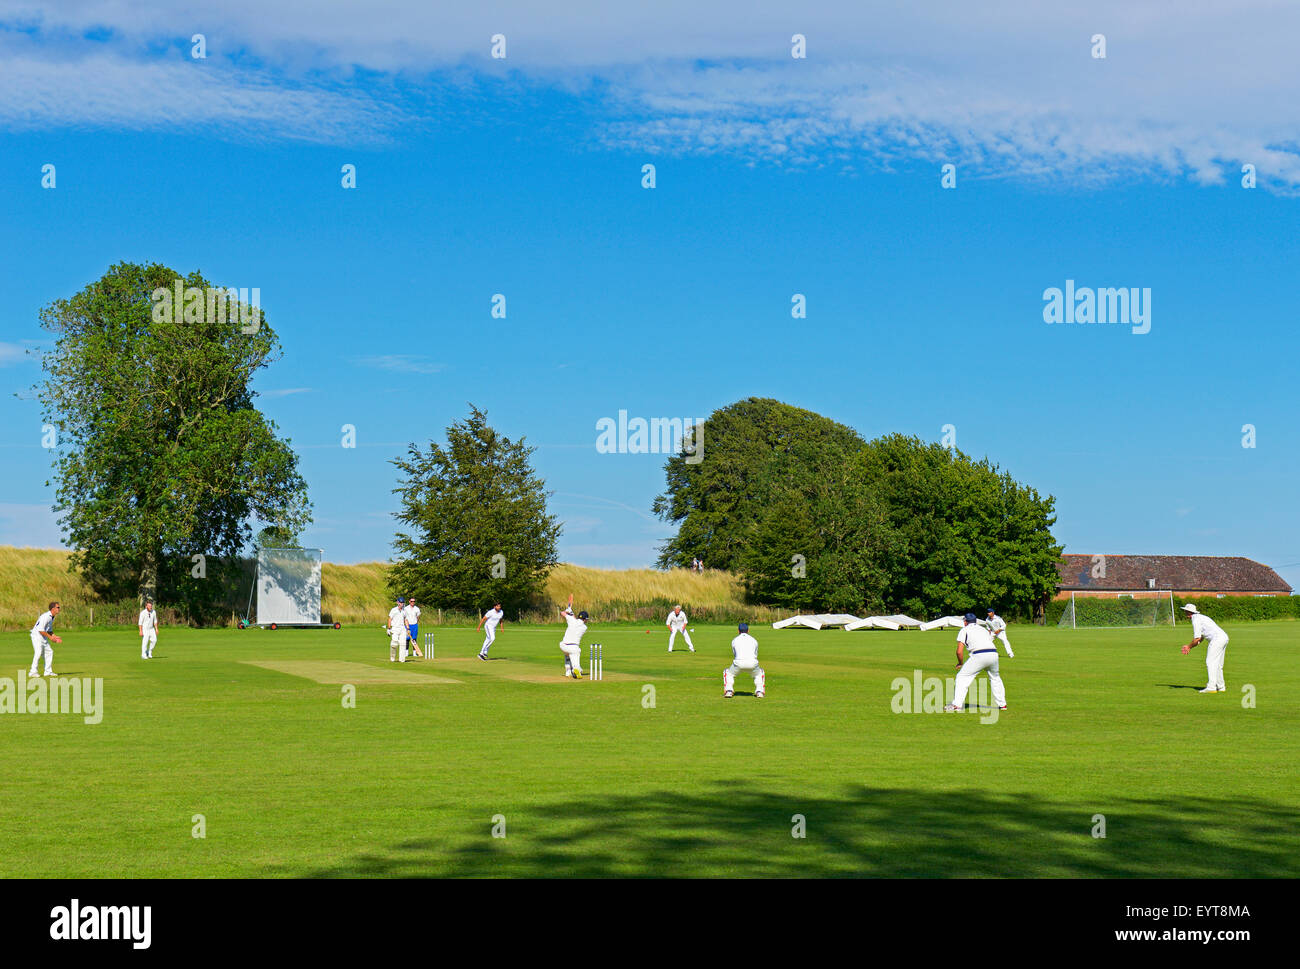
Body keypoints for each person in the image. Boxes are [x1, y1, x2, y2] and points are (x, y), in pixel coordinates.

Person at [946, 613, 1007, 712]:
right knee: (995, 678)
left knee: (962, 677)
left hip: (979, 654)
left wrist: (960, 663)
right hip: (993, 653)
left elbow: (959, 651)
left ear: (965, 622)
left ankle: (956, 705)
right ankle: (1002, 704)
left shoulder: (964, 630)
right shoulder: (983, 629)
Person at [1181, 603, 1229, 693]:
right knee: (1218, 664)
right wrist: (1191, 646)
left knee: (1210, 662)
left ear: (1188, 612)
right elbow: (1201, 637)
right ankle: (1221, 687)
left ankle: (1211, 687)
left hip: (1217, 639)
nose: (1184, 612)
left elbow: (1197, 638)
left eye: (1185, 611)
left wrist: (1188, 647)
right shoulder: (1201, 617)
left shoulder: (1195, 619)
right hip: (1224, 637)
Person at [723, 622, 765, 698]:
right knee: (759, 673)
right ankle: (759, 692)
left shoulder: (734, 640)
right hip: (752, 663)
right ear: (748, 630)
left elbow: (735, 654)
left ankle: (729, 691)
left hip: (738, 662)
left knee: (728, 673)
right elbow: (755, 654)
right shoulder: (754, 640)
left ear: (738, 631)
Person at [558, 594, 587, 679]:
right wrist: (570, 612)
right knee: (576, 654)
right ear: (585, 620)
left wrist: (568, 611)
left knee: (567, 654)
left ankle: (568, 672)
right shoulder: (584, 627)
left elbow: (562, 613)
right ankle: (576, 669)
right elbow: (575, 619)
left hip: (563, 646)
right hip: (574, 648)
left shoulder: (571, 620)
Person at [30, 601, 62, 677]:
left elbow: (49, 630)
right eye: (58, 607)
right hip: (37, 635)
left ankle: (48, 672)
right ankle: (32, 672)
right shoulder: (46, 616)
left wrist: (54, 636)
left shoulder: (52, 617)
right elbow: (40, 629)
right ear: (53, 609)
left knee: (49, 652)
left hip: (42, 635)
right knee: (38, 652)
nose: (59, 609)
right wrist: (51, 638)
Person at [386, 596, 409, 662]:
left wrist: (408, 628)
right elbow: (390, 619)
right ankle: (392, 657)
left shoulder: (404, 611)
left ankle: (402, 659)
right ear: (397, 602)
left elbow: (406, 620)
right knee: (394, 643)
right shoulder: (393, 610)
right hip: (395, 628)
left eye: (403, 603)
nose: (402, 604)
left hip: (402, 628)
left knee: (403, 644)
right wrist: (389, 628)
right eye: (400, 602)